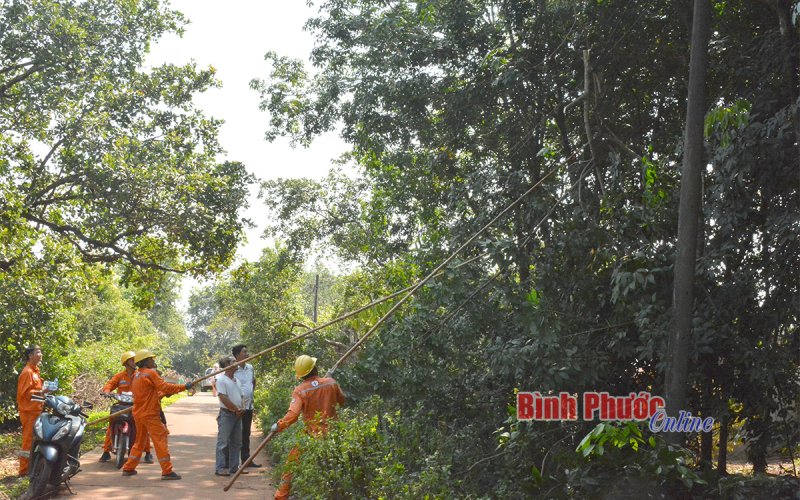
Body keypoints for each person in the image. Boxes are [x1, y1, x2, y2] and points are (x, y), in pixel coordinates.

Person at [269, 355, 345, 500]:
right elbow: (342, 400)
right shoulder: (331, 383)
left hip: (311, 435)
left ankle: (281, 496)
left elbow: (293, 415)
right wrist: (330, 383)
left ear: (301, 375)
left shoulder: (300, 390)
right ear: (315, 367)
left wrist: (279, 425)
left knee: (291, 465)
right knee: (337, 467)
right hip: (334, 435)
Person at [121, 349, 193, 480]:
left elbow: (150, 392)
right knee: (160, 440)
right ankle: (167, 471)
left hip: (138, 414)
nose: (153, 361)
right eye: (151, 359)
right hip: (150, 414)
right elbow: (165, 387)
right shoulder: (150, 373)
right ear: (145, 361)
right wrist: (184, 387)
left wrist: (167, 392)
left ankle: (128, 468)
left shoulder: (136, 375)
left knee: (139, 441)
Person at [99, 351, 153, 464]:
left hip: (137, 405)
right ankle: (106, 451)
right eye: (132, 360)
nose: (135, 362)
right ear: (126, 363)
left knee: (143, 427)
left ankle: (148, 452)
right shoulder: (119, 376)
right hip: (121, 406)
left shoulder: (140, 374)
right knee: (111, 424)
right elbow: (110, 384)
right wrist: (107, 391)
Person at [214, 356, 249, 477]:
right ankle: (220, 468)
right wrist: (235, 409)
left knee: (237, 442)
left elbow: (241, 396)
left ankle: (234, 467)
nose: (237, 362)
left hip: (237, 415)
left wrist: (242, 407)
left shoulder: (236, 380)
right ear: (227, 365)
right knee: (223, 442)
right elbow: (223, 397)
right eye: (234, 361)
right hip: (227, 414)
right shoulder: (221, 380)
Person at [16, 345, 47, 476]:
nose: (40, 354)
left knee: (35, 440)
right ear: (30, 355)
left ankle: (32, 468)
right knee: (28, 440)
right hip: (28, 412)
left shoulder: (35, 371)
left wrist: (44, 392)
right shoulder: (27, 372)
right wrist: (42, 391)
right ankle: (23, 471)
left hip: (36, 410)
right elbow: (25, 393)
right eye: (37, 352)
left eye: (40, 352)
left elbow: (35, 391)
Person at [232, 344, 261, 467]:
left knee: (246, 433)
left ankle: (246, 460)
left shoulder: (250, 368)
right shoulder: (233, 369)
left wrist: (250, 394)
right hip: (237, 407)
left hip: (248, 406)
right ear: (237, 355)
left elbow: (253, 381)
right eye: (244, 352)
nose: (247, 354)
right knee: (235, 435)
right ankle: (233, 463)